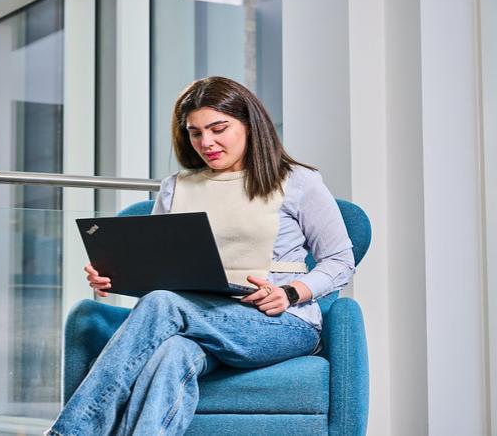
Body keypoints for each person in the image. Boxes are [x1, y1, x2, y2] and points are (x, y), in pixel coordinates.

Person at [46, 76, 354, 436]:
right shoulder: (175, 187)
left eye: (218, 128)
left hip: (281, 323)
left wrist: (289, 292)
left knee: (163, 304)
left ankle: (72, 431)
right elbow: (157, 267)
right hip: (197, 317)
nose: (206, 142)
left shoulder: (299, 181)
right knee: (171, 353)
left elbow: (339, 260)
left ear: (249, 124)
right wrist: (116, 276)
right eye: (195, 133)